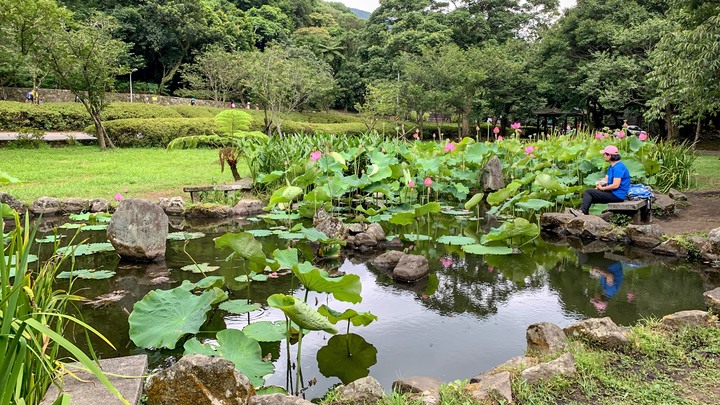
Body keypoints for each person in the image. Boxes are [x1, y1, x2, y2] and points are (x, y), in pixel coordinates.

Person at [570, 145, 630, 216]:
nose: (603, 156)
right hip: (613, 193)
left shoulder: (618, 167)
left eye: (605, 154)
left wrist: (603, 188)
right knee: (590, 195)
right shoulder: (611, 166)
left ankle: (582, 212)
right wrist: (600, 184)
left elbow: (615, 185)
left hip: (617, 195)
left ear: (610, 155)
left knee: (588, 192)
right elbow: (606, 180)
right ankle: (584, 212)